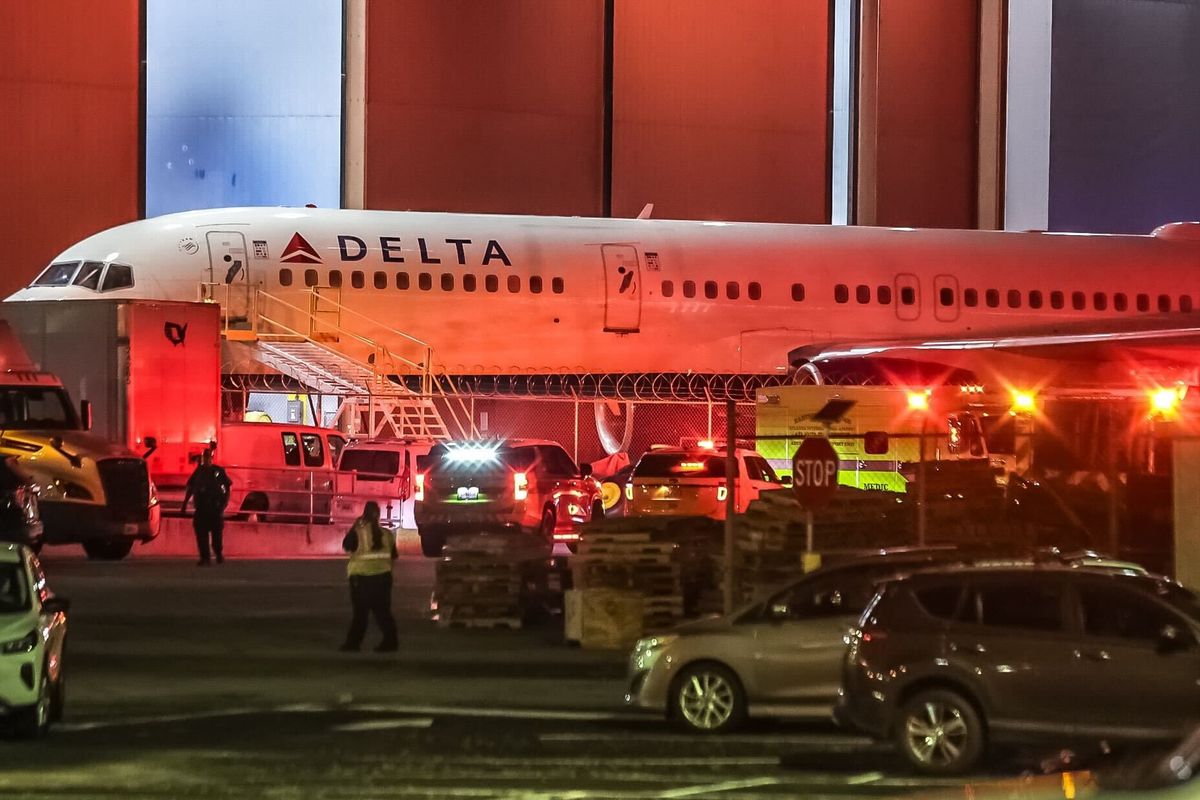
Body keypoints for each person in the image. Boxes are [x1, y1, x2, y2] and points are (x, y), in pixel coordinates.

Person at [340, 501, 398, 652]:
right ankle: (391, 642)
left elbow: (346, 545)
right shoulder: (387, 534)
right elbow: (394, 555)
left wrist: (355, 525)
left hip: (362, 579)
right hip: (384, 579)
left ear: (363, 515)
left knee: (360, 615)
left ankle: (353, 644)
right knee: (383, 613)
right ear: (379, 515)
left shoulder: (358, 532)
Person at [181, 449, 232, 566]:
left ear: (211, 458)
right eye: (205, 457)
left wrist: (224, 503)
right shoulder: (199, 471)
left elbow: (227, 487)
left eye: (208, 457)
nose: (206, 460)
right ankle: (205, 557)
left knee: (216, 534)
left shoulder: (218, 471)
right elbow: (191, 487)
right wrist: (184, 503)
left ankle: (218, 554)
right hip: (201, 507)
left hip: (215, 507)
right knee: (201, 534)